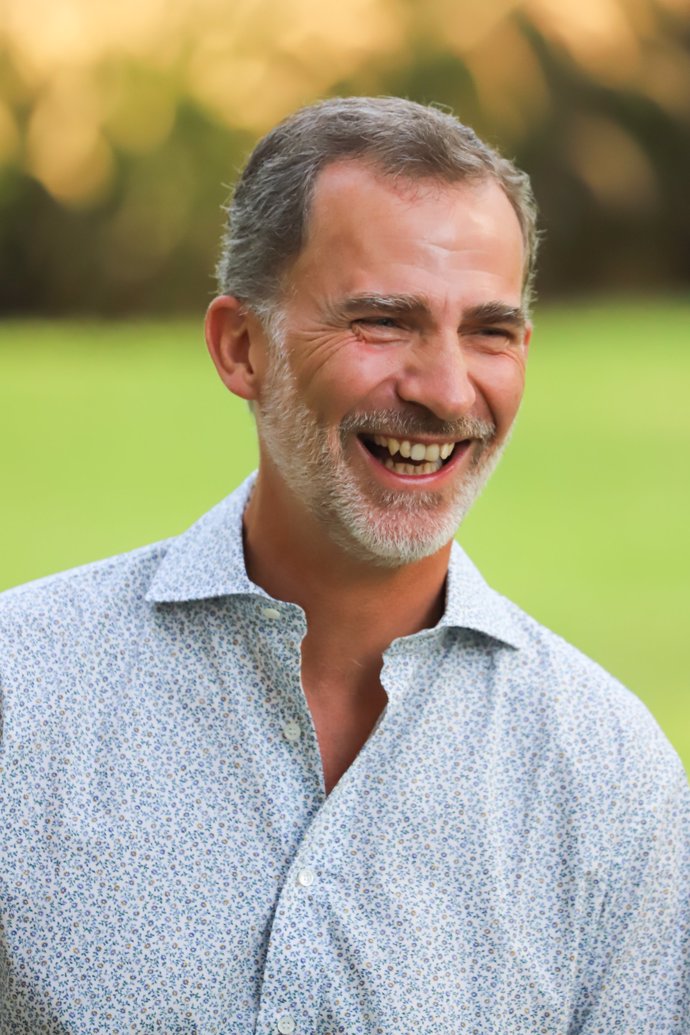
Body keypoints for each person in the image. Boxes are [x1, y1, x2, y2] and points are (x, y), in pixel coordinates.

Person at [0, 97, 687, 1034]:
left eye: (489, 330)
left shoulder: (613, 778)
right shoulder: (20, 691)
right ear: (242, 347)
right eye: (382, 320)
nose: (446, 391)